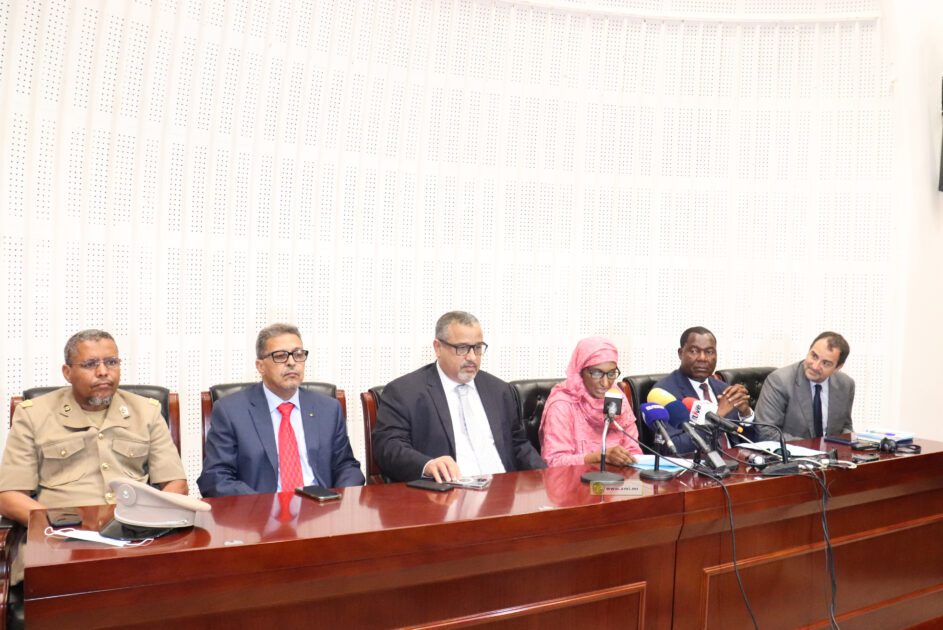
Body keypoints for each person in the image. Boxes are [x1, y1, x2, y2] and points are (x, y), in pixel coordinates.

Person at [0, 329, 188, 582]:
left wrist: (147, 522)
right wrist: (60, 526)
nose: (103, 372)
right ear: (67, 372)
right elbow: (10, 497)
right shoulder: (34, 414)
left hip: (135, 539)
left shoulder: (146, 411)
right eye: (90, 364)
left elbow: (175, 484)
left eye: (111, 362)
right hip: (61, 544)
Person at [372, 311, 546, 483]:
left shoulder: (499, 390)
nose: (472, 357)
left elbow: (518, 445)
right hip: (448, 493)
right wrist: (427, 465)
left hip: (503, 490)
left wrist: (547, 478)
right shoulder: (405, 392)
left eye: (477, 348)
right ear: (438, 347)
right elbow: (388, 446)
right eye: (462, 348)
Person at [198, 323, 364, 496]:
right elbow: (215, 477)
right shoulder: (231, 411)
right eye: (280, 356)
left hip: (320, 506)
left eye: (298, 354)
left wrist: (338, 501)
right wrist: (263, 504)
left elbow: (347, 466)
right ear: (260, 366)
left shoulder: (328, 409)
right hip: (260, 508)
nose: (292, 362)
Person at [539, 336, 642, 467]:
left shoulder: (616, 397)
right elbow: (554, 461)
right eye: (597, 373)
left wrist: (627, 459)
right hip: (574, 479)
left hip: (617, 478)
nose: (605, 383)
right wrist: (599, 457)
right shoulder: (562, 405)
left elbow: (634, 452)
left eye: (611, 374)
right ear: (580, 371)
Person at [652, 326, 754, 453]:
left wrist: (745, 414)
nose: (702, 358)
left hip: (734, 461)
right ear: (680, 353)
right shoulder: (663, 393)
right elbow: (672, 448)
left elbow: (753, 443)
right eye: (694, 351)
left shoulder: (723, 389)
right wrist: (717, 418)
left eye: (709, 352)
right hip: (696, 464)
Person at [754, 332, 854, 441]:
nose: (815, 366)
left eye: (825, 363)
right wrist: (813, 447)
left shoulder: (846, 384)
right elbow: (766, 432)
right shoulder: (780, 381)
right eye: (814, 356)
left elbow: (845, 426)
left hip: (830, 451)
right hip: (791, 450)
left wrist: (854, 441)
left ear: (838, 367)